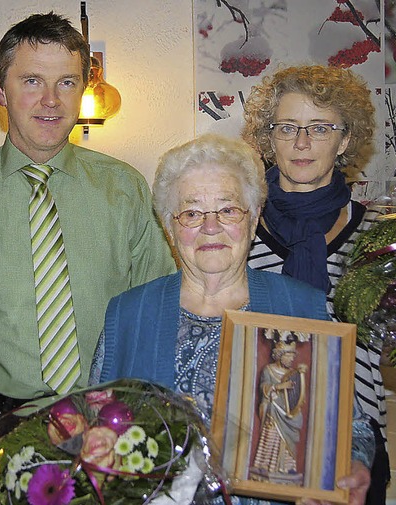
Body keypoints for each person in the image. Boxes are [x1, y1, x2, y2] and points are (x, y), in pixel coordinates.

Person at [0, 11, 175, 502]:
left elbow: (157, 318)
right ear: (0, 90)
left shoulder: (126, 189)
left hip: (108, 436)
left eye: (67, 82)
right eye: (32, 80)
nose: (50, 100)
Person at [90, 134, 374, 505]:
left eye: (228, 210)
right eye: (191, 213)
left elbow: (354, 429)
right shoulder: (127, 313)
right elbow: (91, 430)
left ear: (254, 218)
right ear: (168, 226)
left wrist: (352, 466)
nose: (211, 227)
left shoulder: (302, 306)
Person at [242, 65, 388, 504]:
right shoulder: (235, 230)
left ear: (344, 140)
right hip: (257, 441)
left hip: (355, 455)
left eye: (320, 128)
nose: (302, 143)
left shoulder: (379, 237)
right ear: (269, 140)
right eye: (287, 127)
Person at [250, 332, 307, 484]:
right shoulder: (268, 370)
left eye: (293, 356)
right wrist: (279, 386)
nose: (292, 359)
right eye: (289, 356)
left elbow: (298, 394)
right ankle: (265, 466)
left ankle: (285, 468)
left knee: (286, 443)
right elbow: (264, 387)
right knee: (271, 437)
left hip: (287, 413)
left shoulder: (292, 374)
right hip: (273, 411)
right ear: (279, 355)